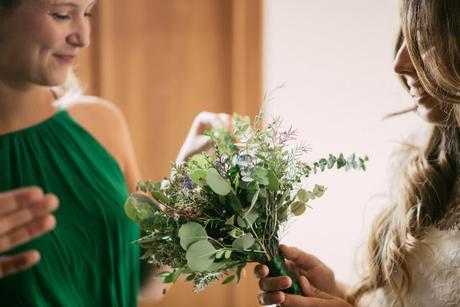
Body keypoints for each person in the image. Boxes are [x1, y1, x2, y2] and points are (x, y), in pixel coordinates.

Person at [0, 0, 228, 305]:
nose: (83, 37)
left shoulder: (102, 124)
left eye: (88, 13)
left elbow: (143, 285)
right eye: (62, 15)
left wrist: (184, 185)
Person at [255, 0, 460, 306]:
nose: (399, 63)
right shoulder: (431, 167)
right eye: (404, 37)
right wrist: (336, 293)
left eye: (424, 40)